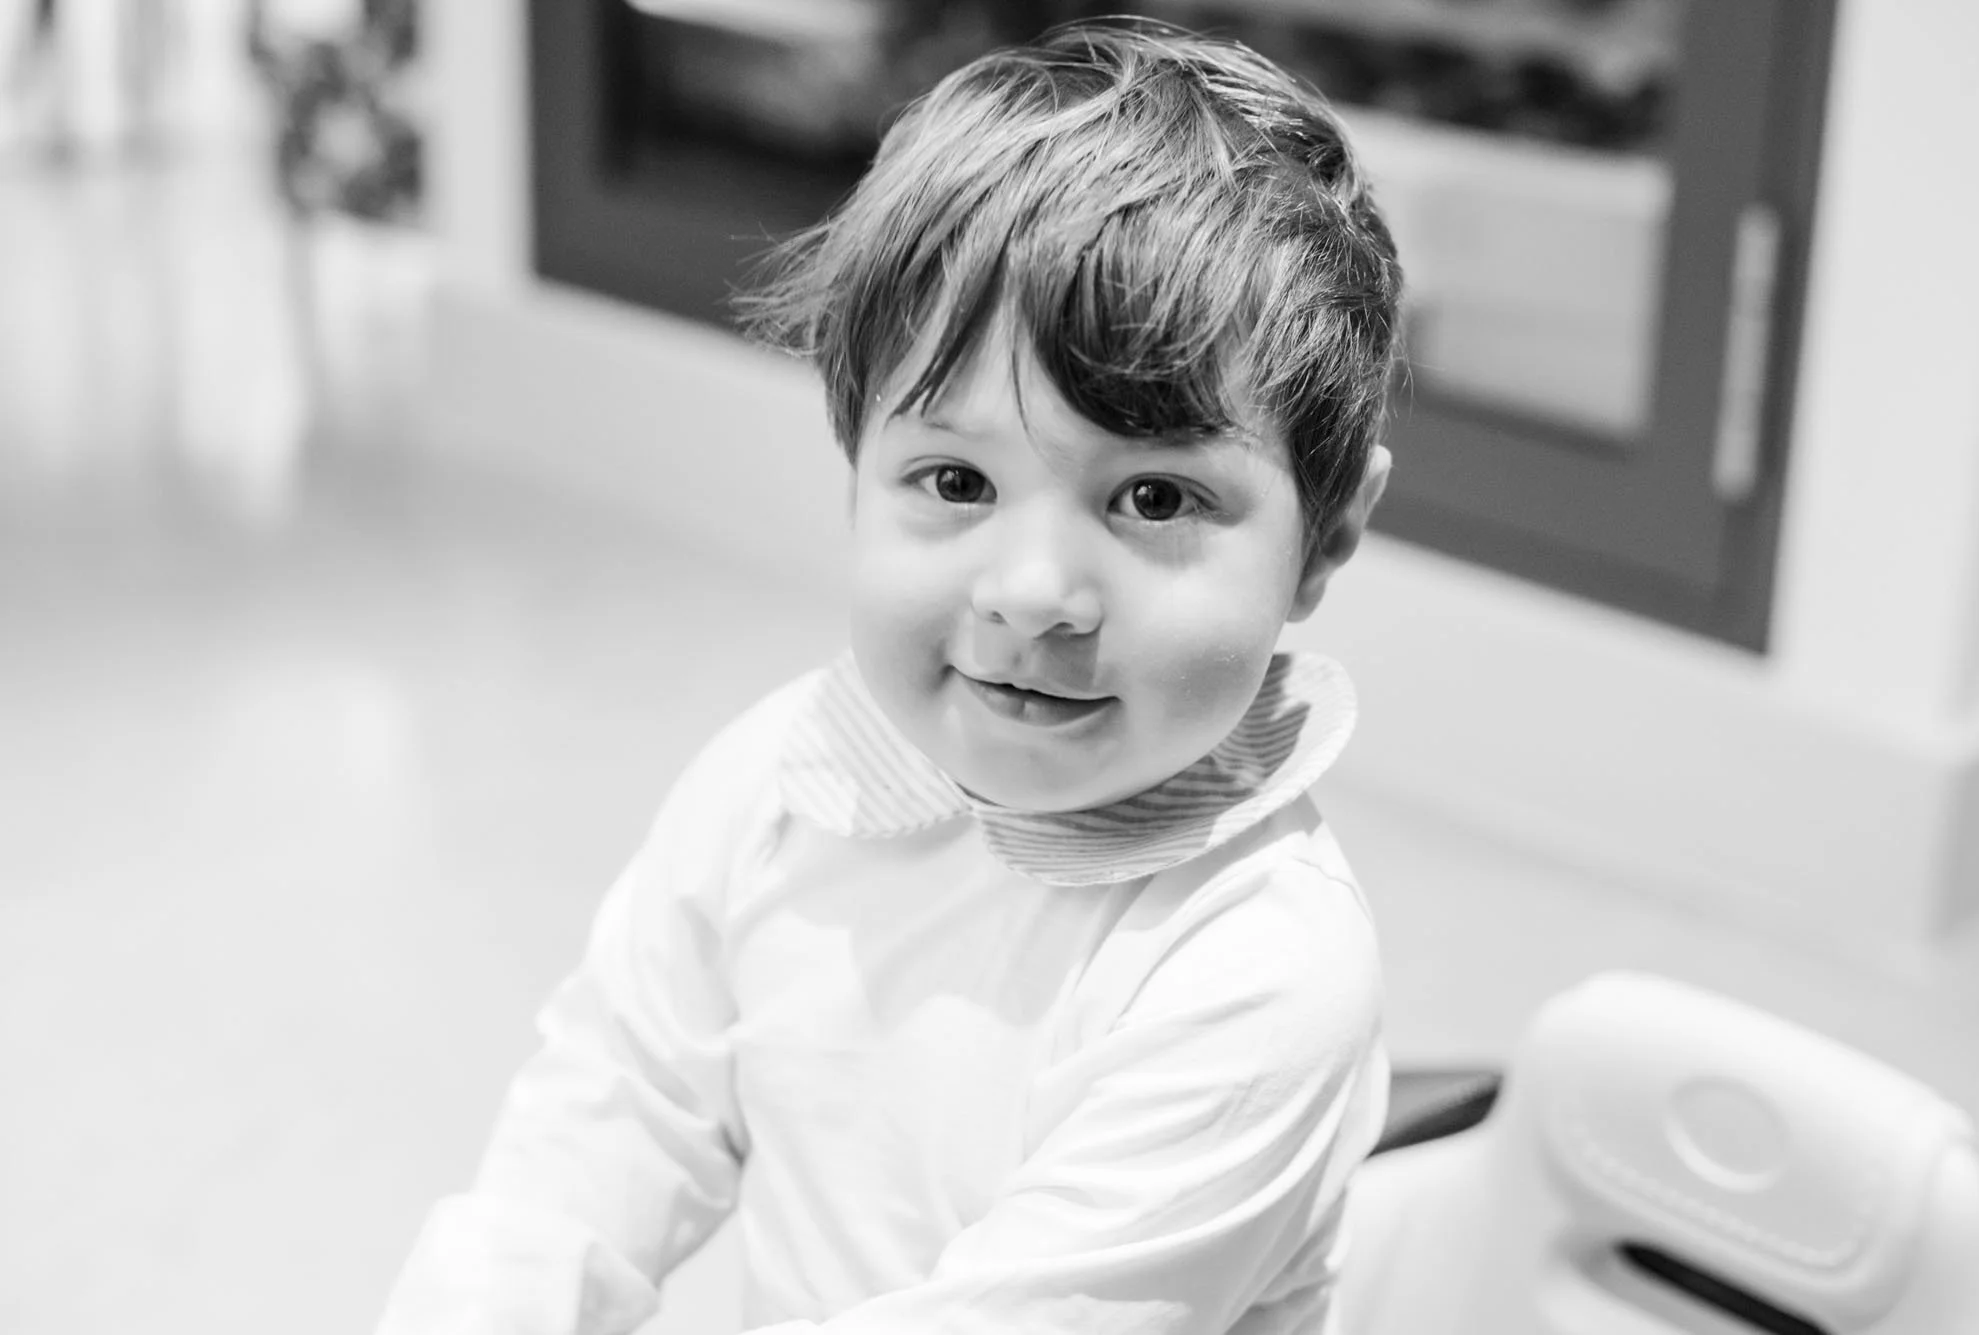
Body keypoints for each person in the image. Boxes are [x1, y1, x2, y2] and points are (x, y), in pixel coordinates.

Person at [377, 17, 1403, 1335]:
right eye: (956, 481)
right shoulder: (783, 781)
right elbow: (616, 1105)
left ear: (1326, 534)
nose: (1031, 589)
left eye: (1154, 495)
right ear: (854, 462)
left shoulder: (1257, 966)